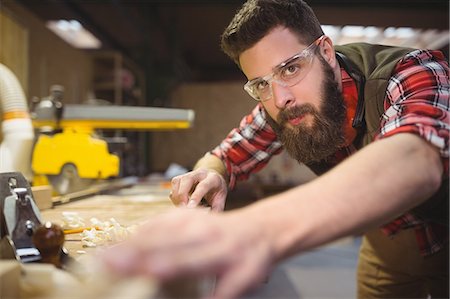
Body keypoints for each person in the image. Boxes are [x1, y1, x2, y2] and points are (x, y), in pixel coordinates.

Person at [102, 1, 449, 298]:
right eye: (261, 84)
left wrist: (256, 230)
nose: (280, 98)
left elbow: (414, 158)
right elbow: (225, 155)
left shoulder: (414, 70)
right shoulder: (282, 104)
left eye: (291, 68)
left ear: (326, 52)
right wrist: (210, 174)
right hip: (386, 243)